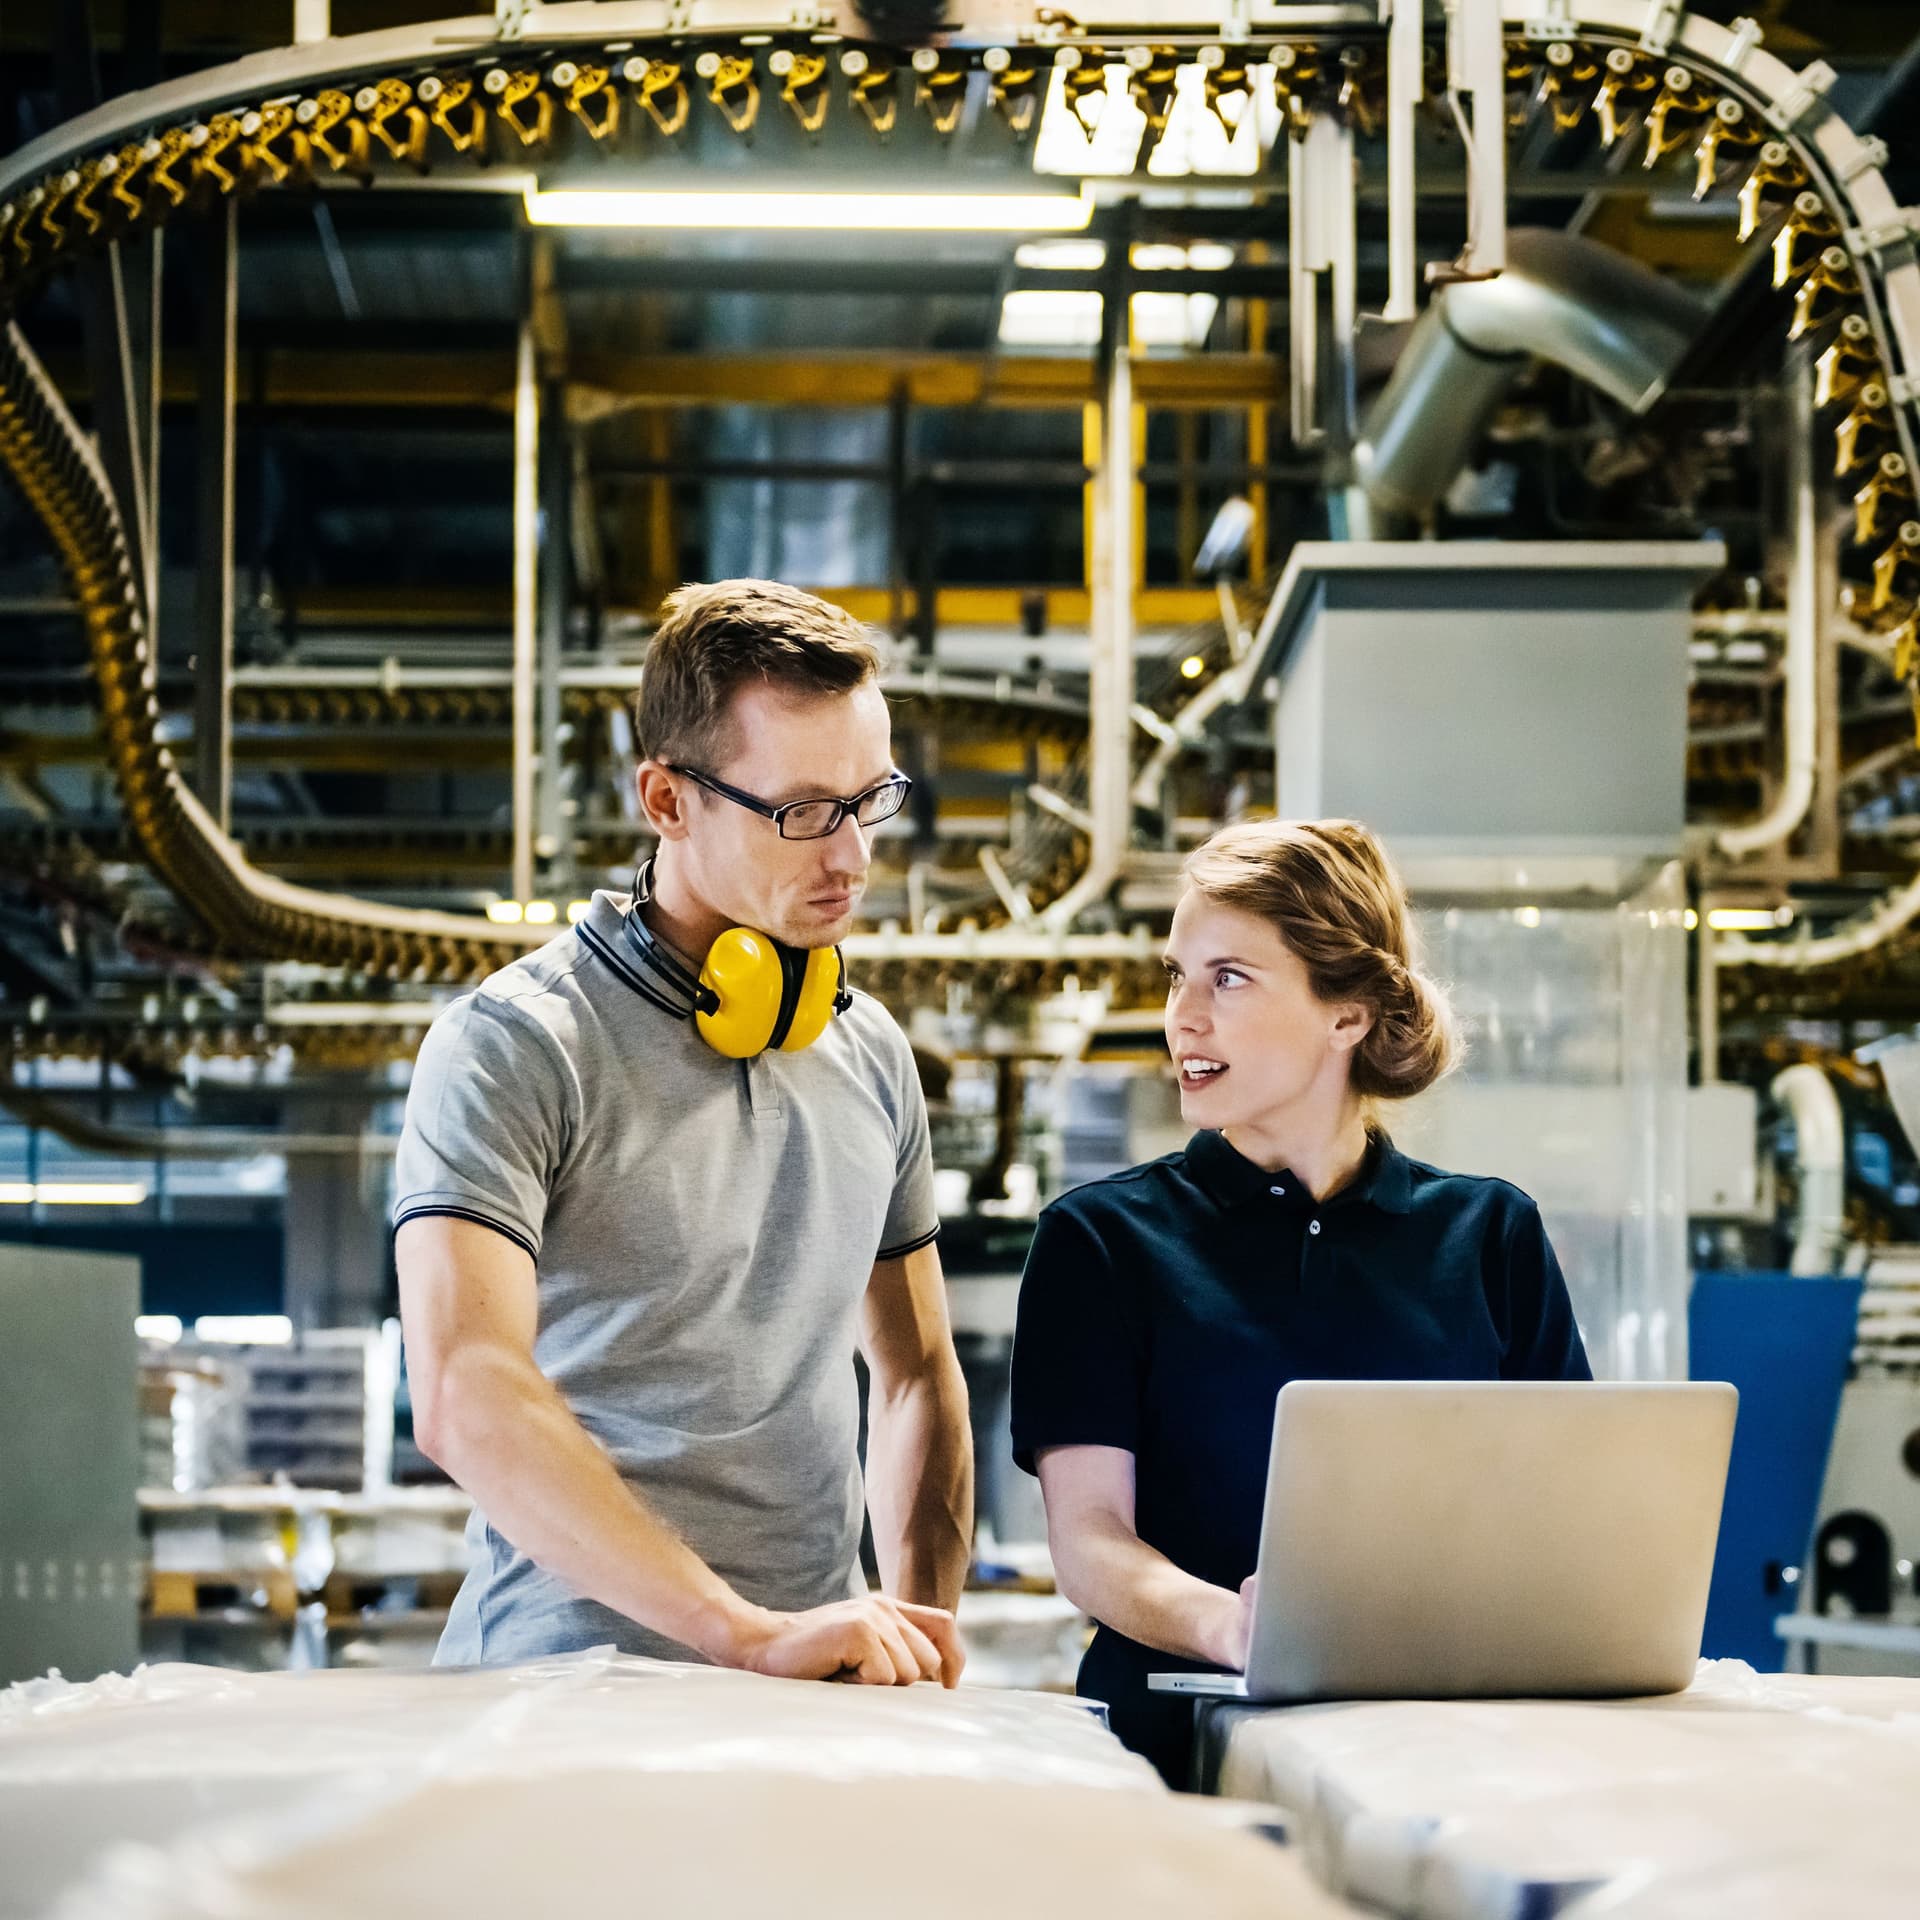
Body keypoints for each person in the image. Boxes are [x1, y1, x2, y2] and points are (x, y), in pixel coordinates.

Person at [395, 579, 972, 1688]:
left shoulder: (869, 1052)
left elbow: (915, 1375)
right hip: (568, 1684)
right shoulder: (519, 1046)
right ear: (666, 799)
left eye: (870, 800)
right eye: (804, 811)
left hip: (820, 1683)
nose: (850, 857)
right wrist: (741, 1630)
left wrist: (918, 1629)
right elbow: (467, 1388)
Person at [1009, 818, 1591, 1782]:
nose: (1182, 1016)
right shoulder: (1100, 1241)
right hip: (1171, 1760)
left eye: (1228, 977)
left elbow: (1565, 1517)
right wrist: (1233, 1627)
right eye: (1176, 975)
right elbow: (1090, 1539)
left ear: (1348, 1012)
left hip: (1444, 1758)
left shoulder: (1491, 1237)